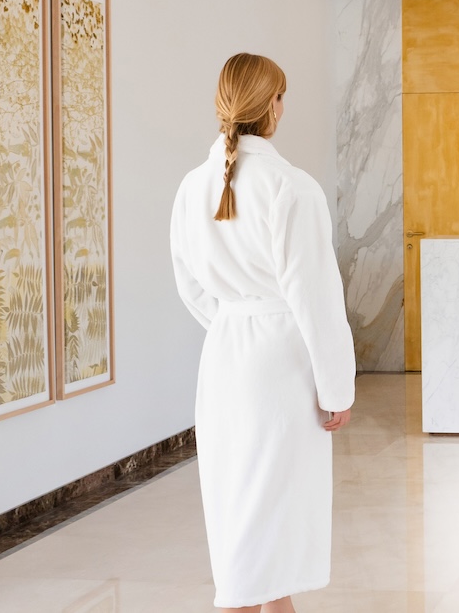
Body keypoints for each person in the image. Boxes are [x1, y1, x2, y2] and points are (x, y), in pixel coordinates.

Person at [170, 53, 356, 613]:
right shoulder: (292, 188)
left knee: (242, 509)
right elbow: (316, 298)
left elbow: (190, 287)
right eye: (282, 98)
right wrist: (336, 388)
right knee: (265, 520)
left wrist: (235, 322)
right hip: (280, 367)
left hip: (224, 359)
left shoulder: (191, 186)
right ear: (271, 106)